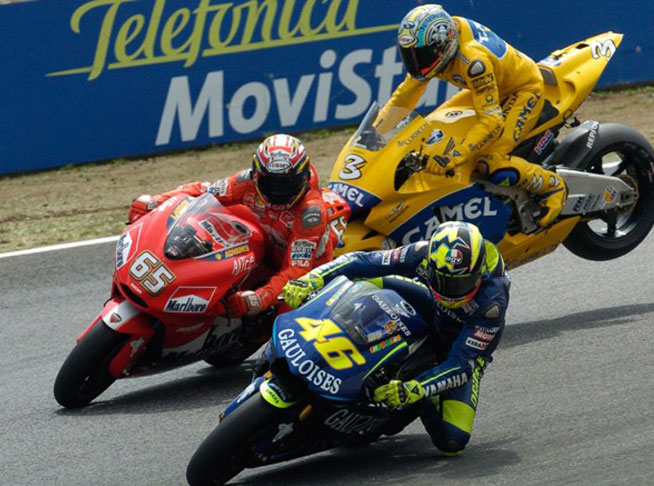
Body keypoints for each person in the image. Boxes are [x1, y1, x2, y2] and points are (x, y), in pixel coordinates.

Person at [283, 221, 510, 455]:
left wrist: (416, 388)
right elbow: (364, 260)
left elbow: (461, 365)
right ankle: (320, 331)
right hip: (428, 302)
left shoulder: (492, 302)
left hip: (456, 347)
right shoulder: (422, 253)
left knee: (452, 439)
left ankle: (416, 397)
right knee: (364, 280)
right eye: (442, 279)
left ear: (479, 271)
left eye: (459, 283)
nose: (450, 291)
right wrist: (313, 278)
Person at [128, 134, 344, 340]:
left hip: (304, 275)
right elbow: (204, 191)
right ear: (256, 174)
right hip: (266, 248)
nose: (279, 193)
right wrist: (156, 200)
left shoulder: (311, 213)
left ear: (304, 177)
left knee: (286, 332)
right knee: (215, 215)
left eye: (288, 184)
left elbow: (296, 270)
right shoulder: (246, 182)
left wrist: (259, 299)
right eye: (271, 183)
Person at [378, 4, 566, 228]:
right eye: (410, 55)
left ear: (443, 45)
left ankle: (553, 186)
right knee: (432, 127)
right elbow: (403, 98)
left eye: (421, 55)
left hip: (522, 89)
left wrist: (454, 157)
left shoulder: (473, 62)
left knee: (490, 161)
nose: (417, 62)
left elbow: (491, 121)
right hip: (485, 88)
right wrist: (373, 135)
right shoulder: (439, 48)